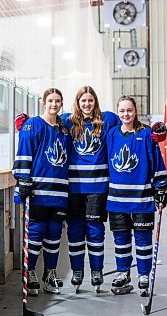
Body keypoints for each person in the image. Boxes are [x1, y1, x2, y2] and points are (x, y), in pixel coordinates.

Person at [105, 95, 167, 296]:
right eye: (122, 111)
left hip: (142, 200)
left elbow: (157, 165)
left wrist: (161, 189)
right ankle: (123, 273)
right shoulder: (111, 135)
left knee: (143, 239)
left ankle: (143, 275)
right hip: (117, 201)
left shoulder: (147, 135)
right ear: (117, 112)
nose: (126, 114)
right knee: (121, 240)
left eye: (129, 110)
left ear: (136, 111)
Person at [60, 86, 120, 292]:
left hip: (98, 187)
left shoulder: (107, 120)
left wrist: (153, 133)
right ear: (77, 102)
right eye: (83, 101)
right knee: (75, 230)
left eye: (90, 100)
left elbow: (130, 127)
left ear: (95, 102)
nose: (87, 104)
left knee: (95, 230)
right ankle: (78, 271)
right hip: (74, 187)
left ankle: (96, 271)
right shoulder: (67, 121)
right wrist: (25, 126)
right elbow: (46, 126)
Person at [12, 88, 71, 295]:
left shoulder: (64, 130)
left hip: (60, 192)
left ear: (61, 103)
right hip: (38, 191)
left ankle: (50, 273)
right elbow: (24, 152)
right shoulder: (33, 124)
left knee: (55, 234)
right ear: (43, 102)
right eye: (50, 100)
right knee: (36, 234)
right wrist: (23, 177)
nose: (54, 104)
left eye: (58, 101)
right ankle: (31, 273)